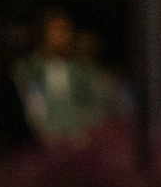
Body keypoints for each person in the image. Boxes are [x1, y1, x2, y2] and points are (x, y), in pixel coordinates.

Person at [12, 11, 125, 145]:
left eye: (65, 29)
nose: (61, 35)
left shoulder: (82, 68)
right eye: (56, 29)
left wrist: (82, 131)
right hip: (42, 142)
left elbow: (93, 103)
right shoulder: (30, 68)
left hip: (78, 141)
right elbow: (32, 105)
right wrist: (43, 133)